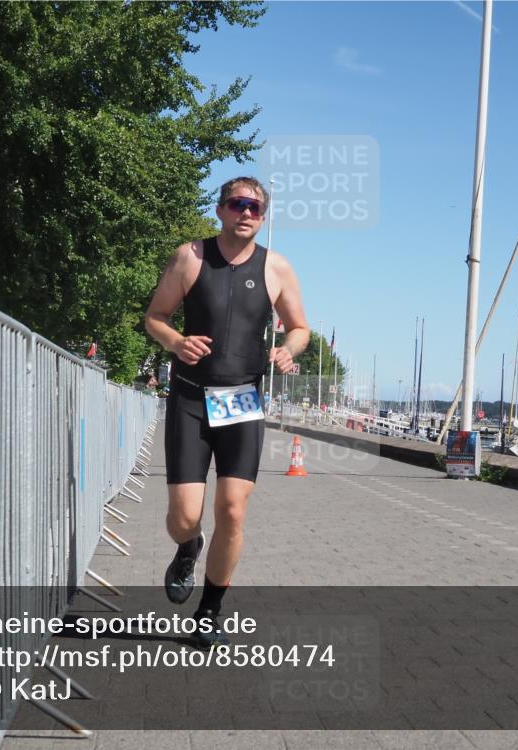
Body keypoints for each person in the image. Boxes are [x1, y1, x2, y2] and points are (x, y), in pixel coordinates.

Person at [145, 176, 309, 649]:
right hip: (191, 398)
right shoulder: (190, 257)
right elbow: (155, 317)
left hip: (241, 400)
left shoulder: (276, 267)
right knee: (184, 516)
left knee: (232, 510)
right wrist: (176, 342)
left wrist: (287, 349)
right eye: (238, 204)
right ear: (220, 210)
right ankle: (188, 547)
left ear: (263, 216)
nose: (247, 213)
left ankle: (209, 611)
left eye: (255, 207)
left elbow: (300, 327)